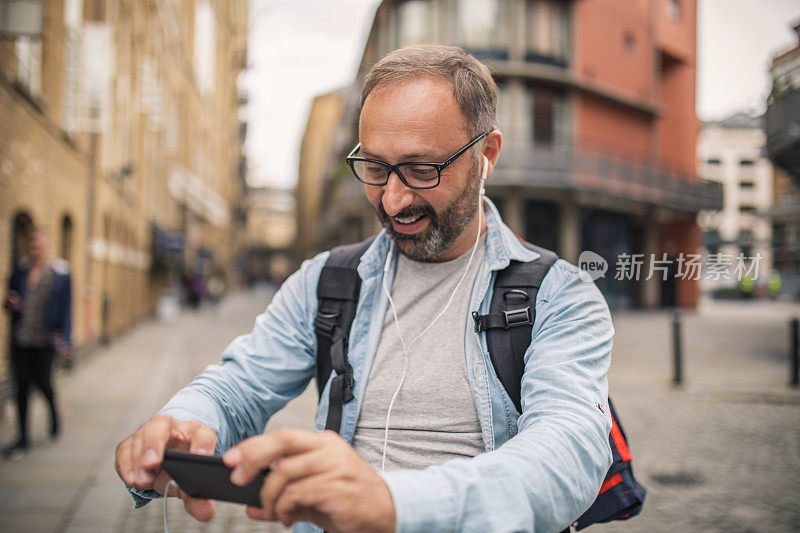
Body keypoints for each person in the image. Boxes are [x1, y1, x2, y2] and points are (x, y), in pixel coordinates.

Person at [115, 45, 614, 532]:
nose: (394, 200)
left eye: (422, 169)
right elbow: (238, 386)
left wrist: (392, 504)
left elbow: (568, 452)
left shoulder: (560, 296)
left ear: (486, 155)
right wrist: (184, 422)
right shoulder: (325, 281)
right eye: (375, 168)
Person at [3, 228, 71, 460]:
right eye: (32, 246)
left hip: (45, 341)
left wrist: (66, 340)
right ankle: (23, 439)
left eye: (39, 245)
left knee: (43, 383)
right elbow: (9, 301)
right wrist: (10, 303)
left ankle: (53, 411)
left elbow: (66, 310)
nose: (35, 249)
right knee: (21, 386)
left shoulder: (60, 274)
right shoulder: (19, 272)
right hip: (21, 339)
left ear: (47, 246)